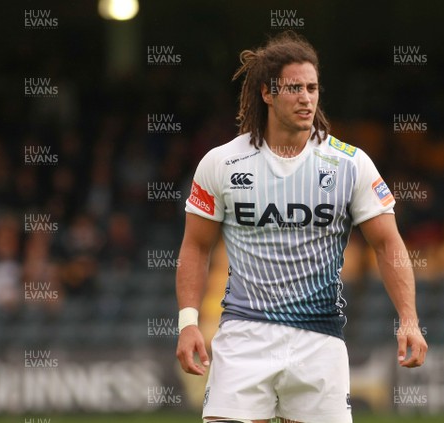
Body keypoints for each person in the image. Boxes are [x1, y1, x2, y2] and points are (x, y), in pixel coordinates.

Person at [175, 31, 427, 423]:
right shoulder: (221, 163)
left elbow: (388, 244)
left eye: (312, 87)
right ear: (267, 93)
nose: (306, 97)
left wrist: (409, 319)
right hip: (244, 336)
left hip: (320, 341)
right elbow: (195, 246)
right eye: (294, 88)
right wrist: (188, 322)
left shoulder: (350, 164)